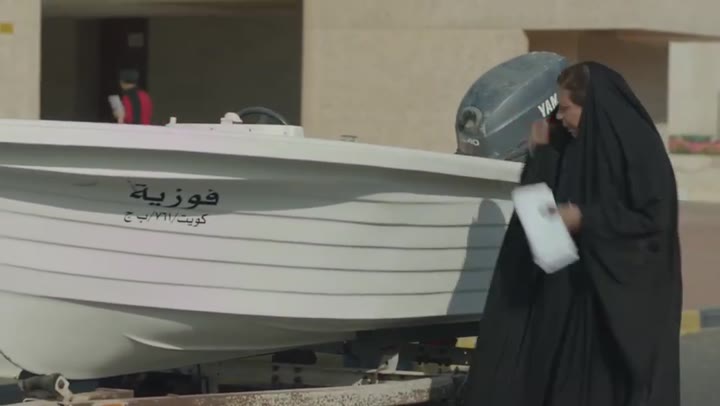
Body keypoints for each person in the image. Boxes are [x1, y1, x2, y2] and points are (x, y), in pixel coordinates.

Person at [462, 62, 682, 406]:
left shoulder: (639, 150)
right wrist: (540, 154)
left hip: (614, 310)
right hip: (568, 299)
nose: (560, 117)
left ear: (591, 106)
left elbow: (653, 222)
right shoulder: (569, 145)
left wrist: (585, 218)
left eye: (566, 108)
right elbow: (539, 212)